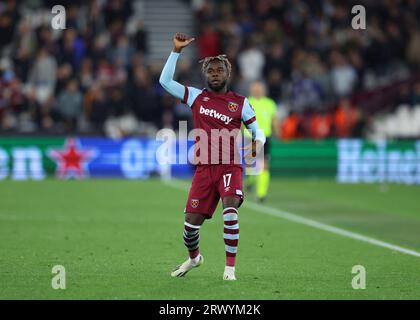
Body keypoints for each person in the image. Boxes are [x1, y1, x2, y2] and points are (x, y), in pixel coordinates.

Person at [159, 33, 266, 281]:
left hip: (230, 166)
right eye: (211, 70)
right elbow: (165, 81)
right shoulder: (197, 97)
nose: (215, 73)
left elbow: (258, 132)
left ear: (227, 74)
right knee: (189, 227)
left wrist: (256, 145)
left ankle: (230, 269)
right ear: (206, 75)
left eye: (220, 70)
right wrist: (176, 50)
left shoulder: (240, 103)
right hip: (204, 170)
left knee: (230, 211)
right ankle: (195, 258)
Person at [246, 81, 278, 203]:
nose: (258, 91)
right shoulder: (247, 102)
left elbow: (274, 119)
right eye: (255, 89)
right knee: (251, 165)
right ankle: (250, 180)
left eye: (260, 89)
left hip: (265, 137)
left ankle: (261, 194)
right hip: (250, 137)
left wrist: (278, 132)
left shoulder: (270, 103)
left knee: (264, 165)